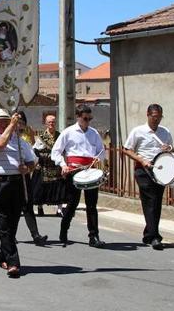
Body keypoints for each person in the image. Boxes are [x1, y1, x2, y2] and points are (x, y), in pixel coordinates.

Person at [0, 109, 36, 278]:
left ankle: (2, 256)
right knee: (3, 223)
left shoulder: (21, 142)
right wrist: (12, 125)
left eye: (6, 121)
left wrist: (26, 168)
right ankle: (13, 262)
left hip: (16, 183)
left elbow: (33, 161)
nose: (3, 124)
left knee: (12, 224)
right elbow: (0, 145)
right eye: (0, 122)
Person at [51, 104, 106, 248]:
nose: (88, 121)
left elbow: (101, 150)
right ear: (78, 117)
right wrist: (63, 165)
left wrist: (99, 158)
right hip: (73, 171)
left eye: (90, 118)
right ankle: (64, 229)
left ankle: (93, 236)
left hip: (90, 171)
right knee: (72, 203)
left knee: (91, 205)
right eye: (85, 118)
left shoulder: (94, 133)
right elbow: (55, 152)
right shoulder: (68, 132)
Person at [122, 104, 173, 250]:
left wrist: (168, 149)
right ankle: (155, 237)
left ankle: (148, 234)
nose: (157, 120)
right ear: (148, 115)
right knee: (150, 200)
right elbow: (127, 149)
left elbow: (171, 148)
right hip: (143, 170)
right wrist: (142, 160)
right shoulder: (138, 131)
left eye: (159, 117)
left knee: (155, 203)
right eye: (154, 117)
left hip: (161, 171)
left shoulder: (165, 132)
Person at [15, 111, 47, 245]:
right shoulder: (7, 138)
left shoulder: (24, 140)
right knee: (14, 208)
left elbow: (32, 158)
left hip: (25, 176)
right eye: (18, 122)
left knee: (28, 206)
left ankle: (36, 235)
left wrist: (30, 167)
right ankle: (11, 235)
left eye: (22, 122)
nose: (20, 125)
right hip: (12, 178)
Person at [33, 114, 67, 216]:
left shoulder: (59, 135)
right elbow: (35, 150)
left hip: (56, 165)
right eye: (49, 122)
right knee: (40, 186)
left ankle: (59, 209)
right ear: (46, 124)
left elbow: (63, 150)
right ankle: (40, 207)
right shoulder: (41, 137)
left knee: (59, 187)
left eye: (53, 122)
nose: (51, 124)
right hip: (44, 165)